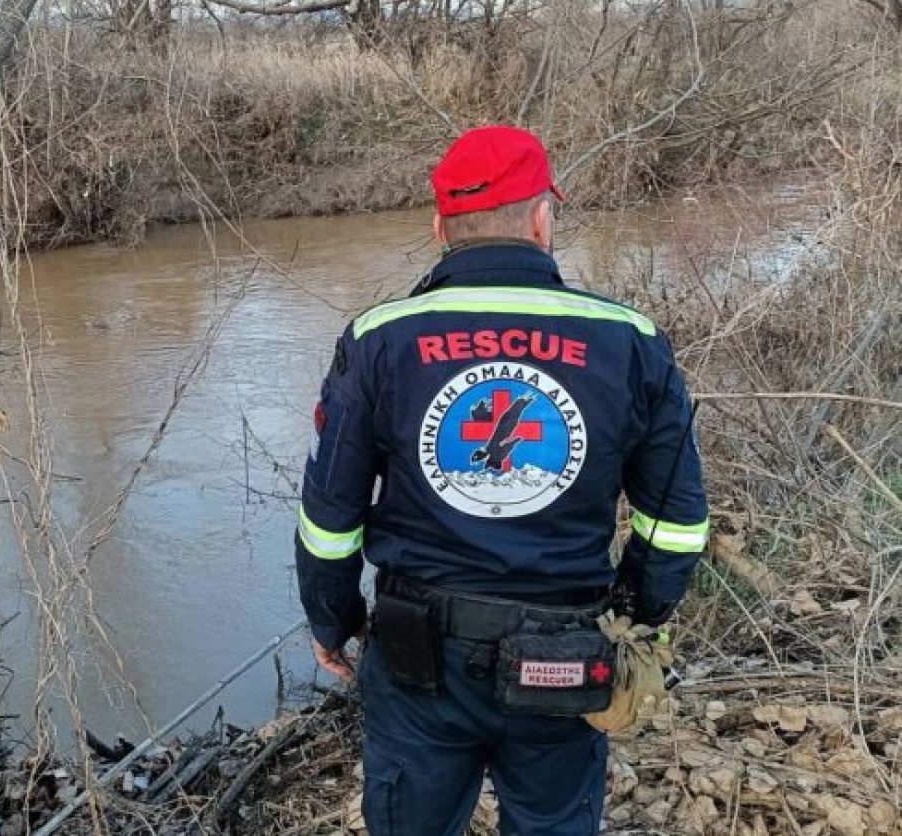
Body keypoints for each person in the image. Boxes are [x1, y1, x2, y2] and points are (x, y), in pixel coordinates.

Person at [293, 126, 708, 836]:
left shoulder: (379, 338)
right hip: (569, 650)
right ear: (543, 218)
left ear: (439, 227)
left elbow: (331, 520)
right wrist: (634, 616)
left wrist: (336, 623)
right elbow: (675, 522)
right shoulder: (630, 339)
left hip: (415, 657)